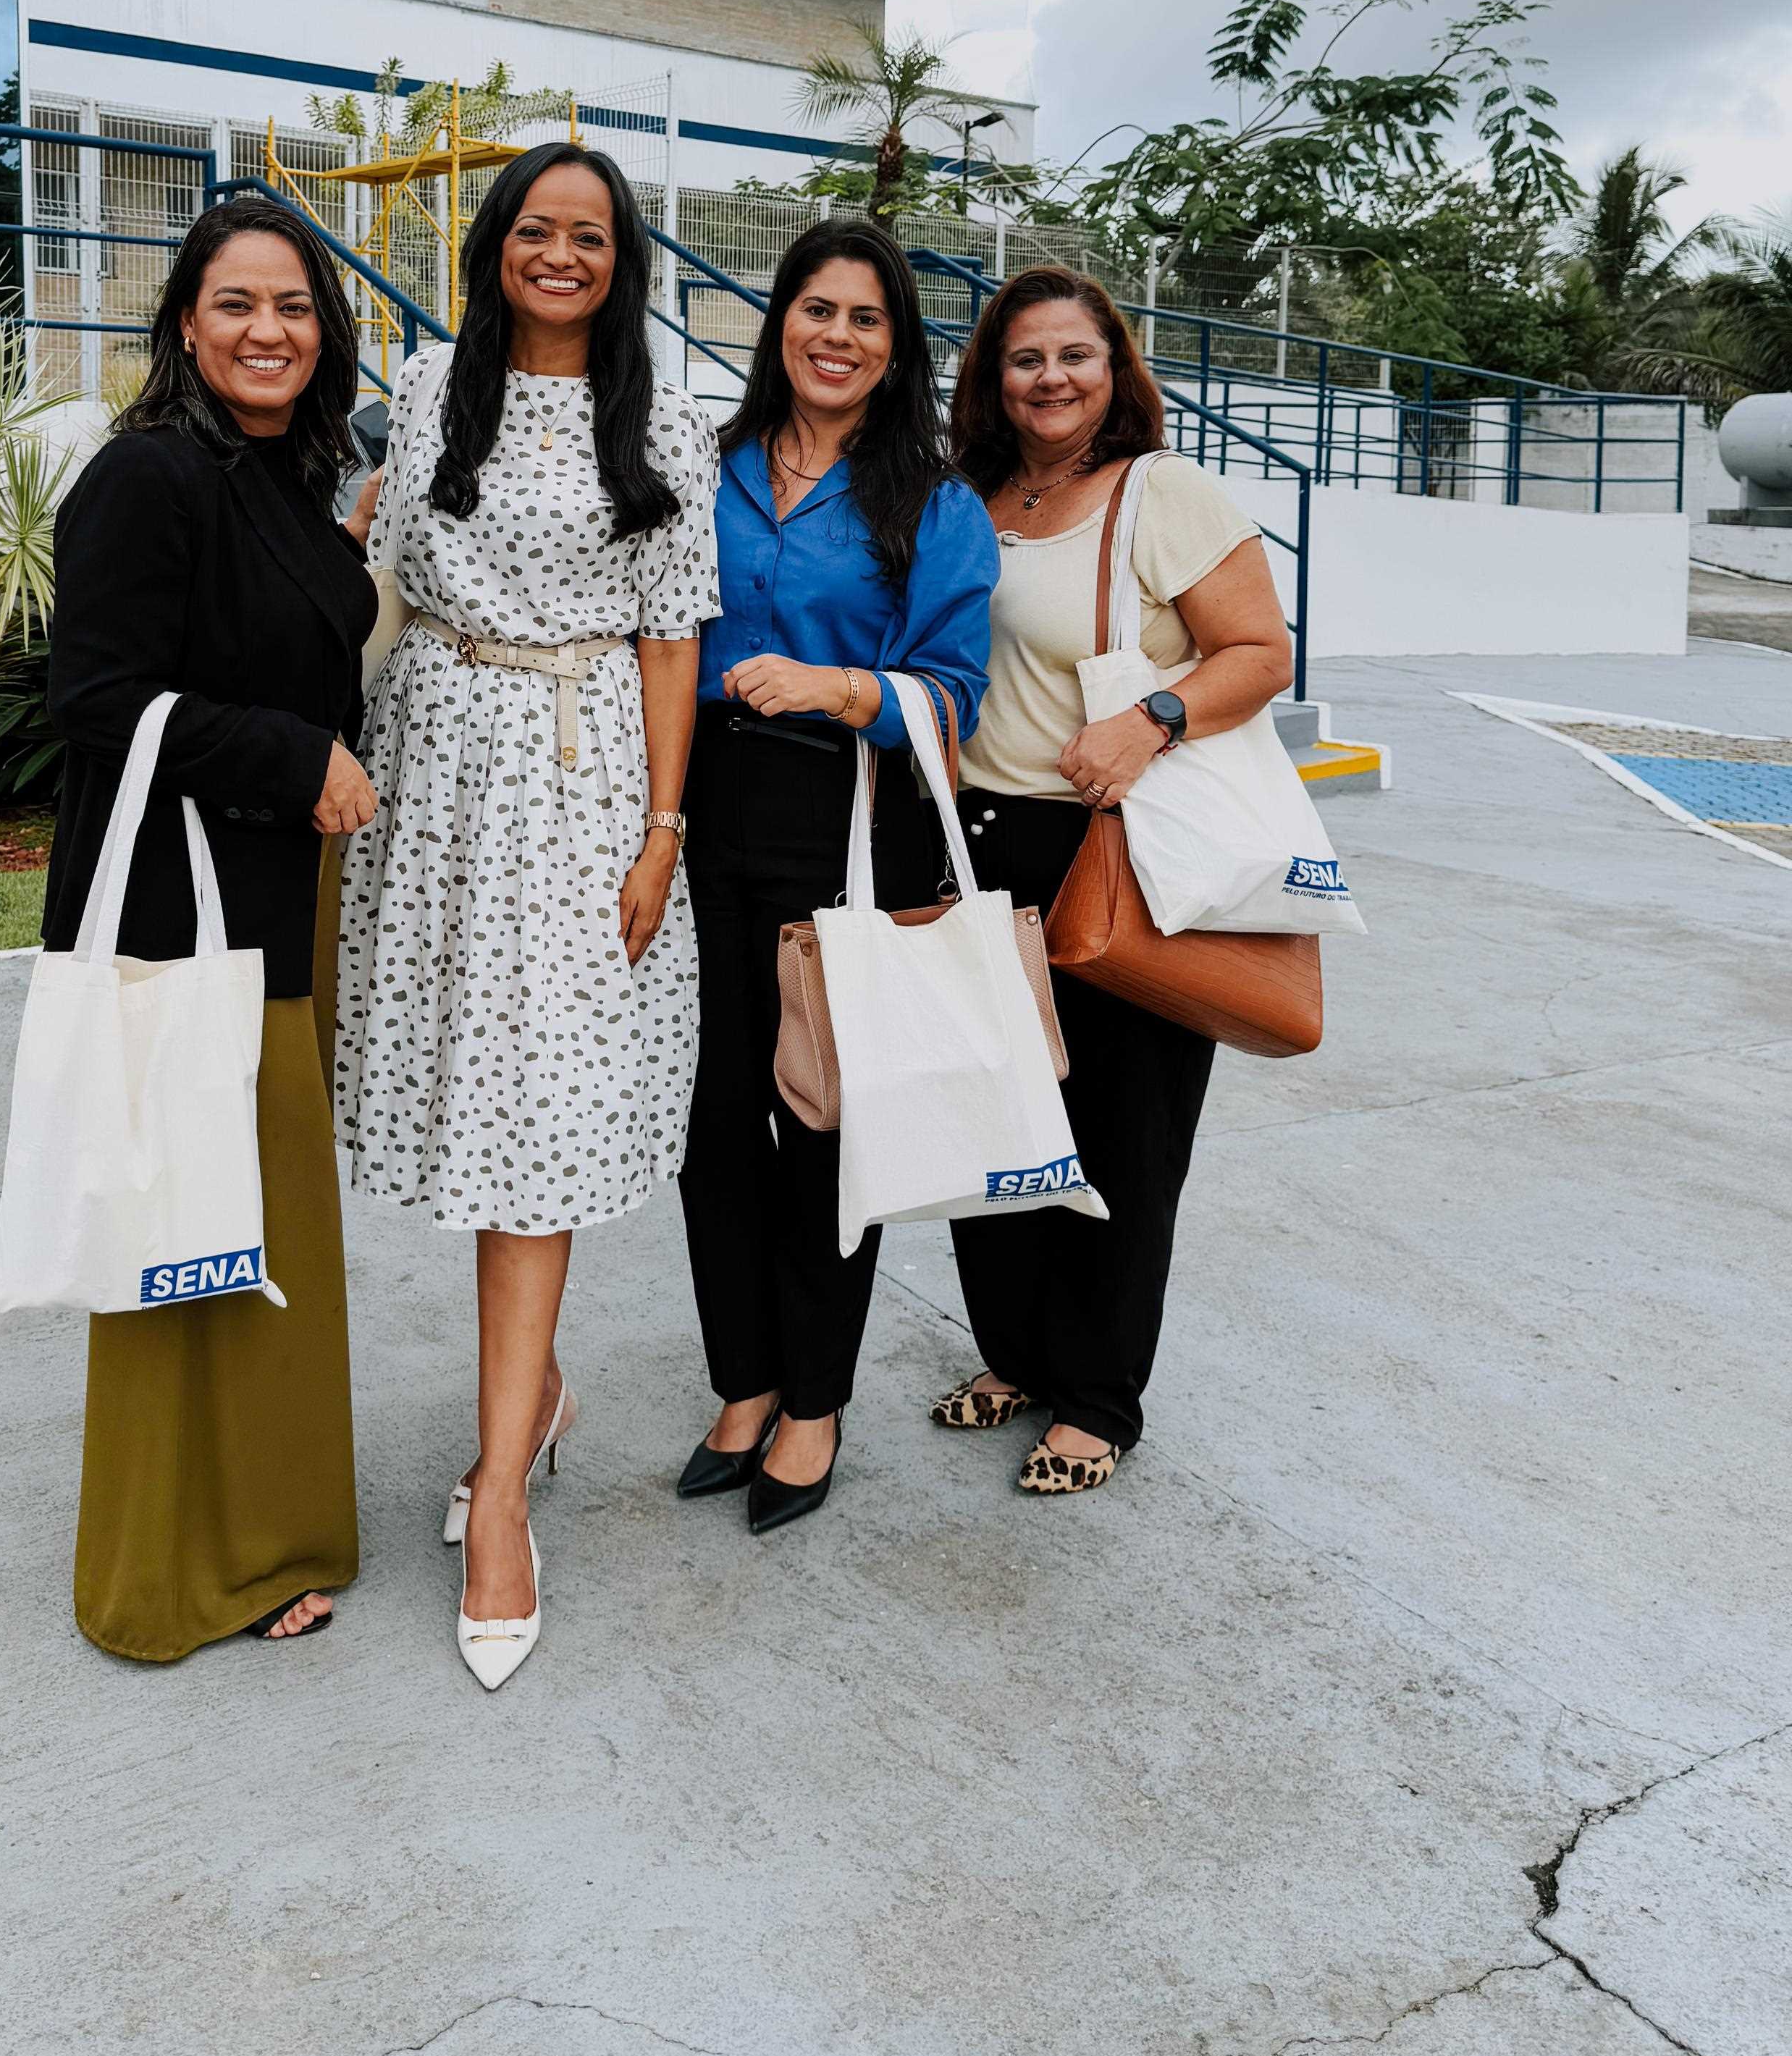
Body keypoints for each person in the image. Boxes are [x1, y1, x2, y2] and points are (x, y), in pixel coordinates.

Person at [334, 143, 719, 1688]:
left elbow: (673, 637)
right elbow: (369, 555)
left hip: (580, 793)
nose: (562, 254)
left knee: (542, 1126)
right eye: (536, 230)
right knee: (467, 1113)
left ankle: (500, 1491)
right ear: (496, 245)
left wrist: (662, 834)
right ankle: (532, 1392)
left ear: (623, 261)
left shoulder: (665, 417)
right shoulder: (429, 388)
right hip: (432, 784)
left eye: (593, 236)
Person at [42, 194, 378, 1659]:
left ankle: (268, 1529)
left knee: (262, 1233)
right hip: (180, 919)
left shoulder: (284, 478)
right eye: (237, 303)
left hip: (270, 911)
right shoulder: (149, 476)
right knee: (180, 1243)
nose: (267, 330)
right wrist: (292, 758)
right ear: (185, 320)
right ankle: (168, 1577)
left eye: (294, 306)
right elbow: (97, 709)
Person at [929, 267, 1294, 1491]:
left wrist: (1155, 718)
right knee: (996, 1125)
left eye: (1075, 355)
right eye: (1025, 357)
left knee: (1122, 1138)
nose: (1050, 378)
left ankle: (1097, 1395)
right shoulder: (972, 496)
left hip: (1107, 842)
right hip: (972, 843)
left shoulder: (1162, 492)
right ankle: (1016, 1356)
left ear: (1115, 366)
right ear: (993, 376)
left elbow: (1261, 649)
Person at [677, 221, 998, 1533]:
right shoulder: (709, 467)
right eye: (817, 309)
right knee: (706, 1119)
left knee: (817, 1122)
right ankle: (744, 1380)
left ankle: (815, 1399)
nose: (837, 336)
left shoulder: (935, 502)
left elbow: (956, 697)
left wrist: (837, 688)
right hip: (700, 813)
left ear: (896, 347)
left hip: (846, 820)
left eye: (867, 319)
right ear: (781, 321)